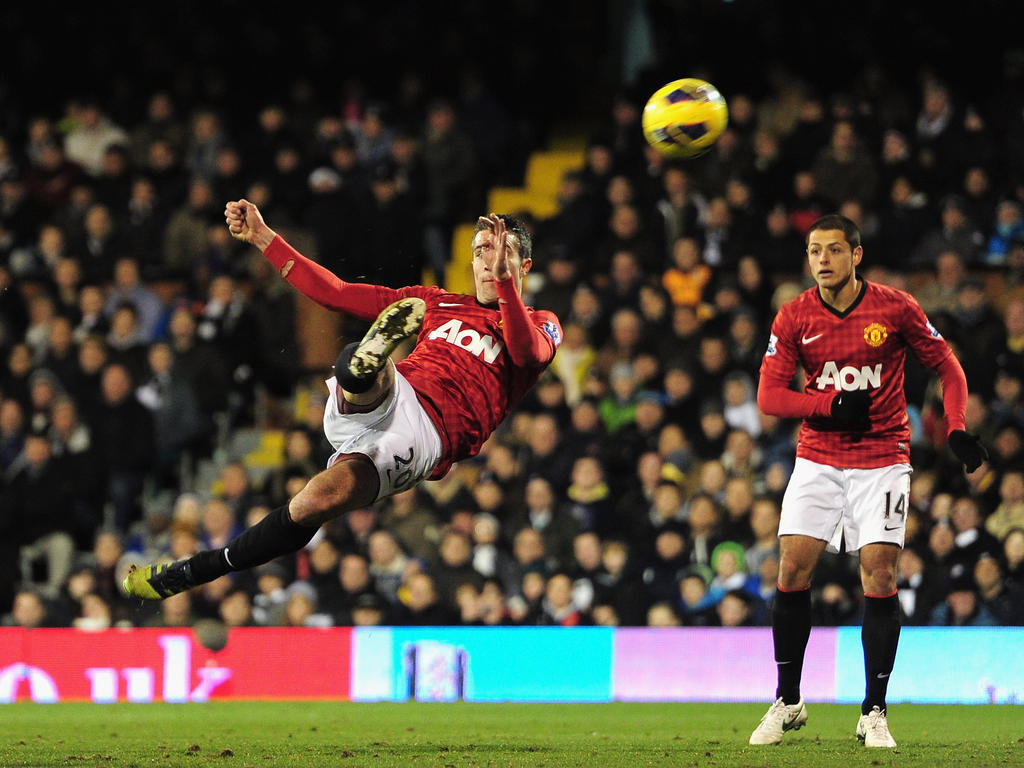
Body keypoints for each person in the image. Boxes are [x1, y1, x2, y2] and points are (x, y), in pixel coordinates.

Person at [125, 200, 561, 601]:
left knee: (311, 503)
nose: (490, 260)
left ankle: (195, 571)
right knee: (366, 366)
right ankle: (364, 365)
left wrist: (506, 287)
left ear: (522, 264)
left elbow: (527, 354)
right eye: (482, 250)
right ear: (471, 261)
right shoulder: (438, 302)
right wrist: (264, 238)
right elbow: (335, 292)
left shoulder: (542, 324)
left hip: (428, 436)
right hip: (398, 391)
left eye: (500, 251)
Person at [748, 214, 987, 749]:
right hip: (818, 457)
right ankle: (788, 700)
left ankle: (873, 710)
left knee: (879, 576)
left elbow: (948, 367)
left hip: (883, 457)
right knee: (790, 569)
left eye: (834, 250)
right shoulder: (793, 317)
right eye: (814, 251)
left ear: (856, 256)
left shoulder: (895, 307)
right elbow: (769, 397)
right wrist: (829, 403)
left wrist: (956, 428)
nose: (823, 260)